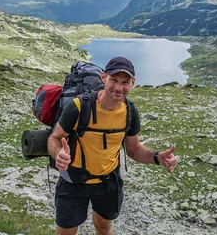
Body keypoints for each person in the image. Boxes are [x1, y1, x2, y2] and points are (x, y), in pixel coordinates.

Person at [47, 56, 177, 235]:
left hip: (108, 182)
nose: (118, 87)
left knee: (104, 227)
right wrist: (58, 154)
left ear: (133, 83)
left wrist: (157, 157)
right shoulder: (78, 107)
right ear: (103, 78)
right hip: (74, 181)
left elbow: (134, 149)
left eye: (125, 82)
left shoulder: (129, 112)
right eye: (113, 80)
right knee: (66, 231)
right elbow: (54, 138)